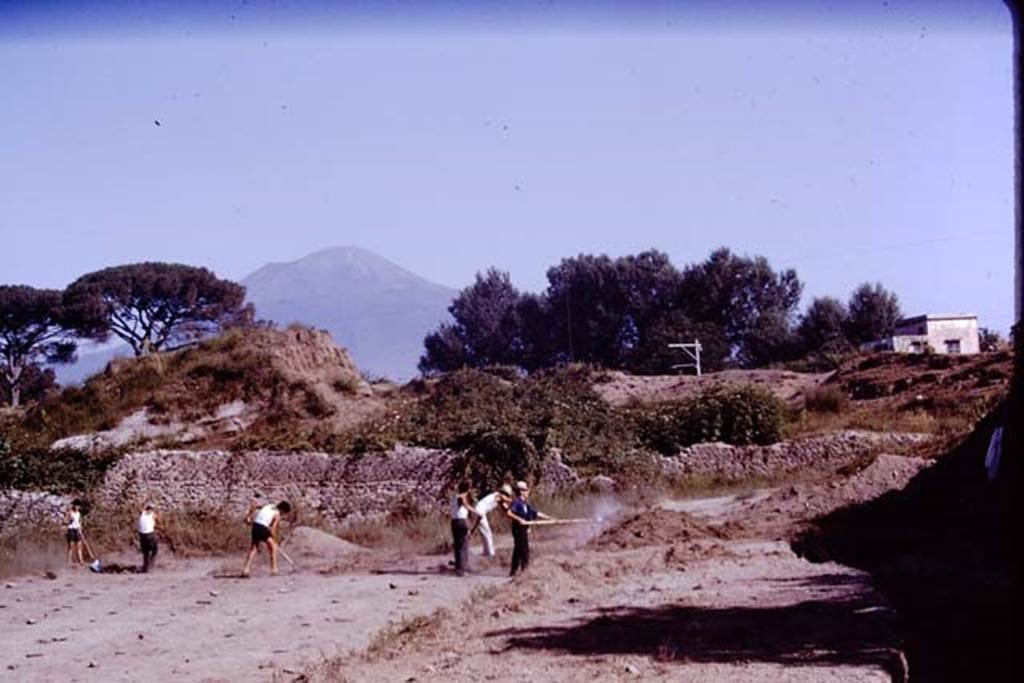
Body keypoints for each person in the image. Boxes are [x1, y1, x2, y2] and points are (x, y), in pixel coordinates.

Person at [506, 480, 552, 577]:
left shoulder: (525, 504)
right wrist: (520, 519)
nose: (528, 493)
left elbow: (536, 513)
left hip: (524, 530)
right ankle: (523, 571)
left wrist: (550, 518)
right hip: (518, 530)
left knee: (519, 550)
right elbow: (509, 513)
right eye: (526, 491)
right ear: (521, 492)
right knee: (523, 550)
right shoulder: (517, 502)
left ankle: (514, 571)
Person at [241, 500, 292, 577]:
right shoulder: (277, 514)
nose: (283, 515)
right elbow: (273, 529)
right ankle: (274, 570)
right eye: (284, 513)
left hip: (255, 526)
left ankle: (246, 569)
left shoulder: (268, 506)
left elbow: (255, 505)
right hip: (262, 527)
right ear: (282, 510)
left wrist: (248, 516)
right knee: (273, 547)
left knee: (254, 549)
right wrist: (275, 540)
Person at [471, 483, 513, 558]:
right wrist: (514, 502)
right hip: (480, 510)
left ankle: (486, 552)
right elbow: (504, 499)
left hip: (479, 510)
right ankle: (490, 553)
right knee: (487, 532)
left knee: (485, 532)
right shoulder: (498, 495)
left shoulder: (499, 498)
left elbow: (505, 508)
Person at [450, 480, 479, 577]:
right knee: (463, 545)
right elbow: (464, 503)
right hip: (462, 521)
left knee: (458, 546)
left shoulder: (453, 497)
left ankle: (458, 567)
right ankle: (462, 569)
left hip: (454, 522)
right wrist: (475, 512)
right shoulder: (462, 497)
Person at [137, 503, 159, 573]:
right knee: (155, 550)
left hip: (142, 535)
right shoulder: (152, 514)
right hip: (150, 534)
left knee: (145, 552)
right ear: (152, 509)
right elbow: (157, 519)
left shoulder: (142, 513)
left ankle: (145, 567)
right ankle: (151, 564)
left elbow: (140, 507)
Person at [65, 501, 85, 567]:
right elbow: (65, 521)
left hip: (77, 530)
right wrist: (70, 519)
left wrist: (80, 529)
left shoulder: (78, 513)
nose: (77, 507)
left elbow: (79, 522)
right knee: (71, 546)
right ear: (74, 506)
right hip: (71, 530)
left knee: (79, 545)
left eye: (78, 506)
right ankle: (69, 561)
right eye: (76, 506)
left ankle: (81, 560)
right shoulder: (70, 512)